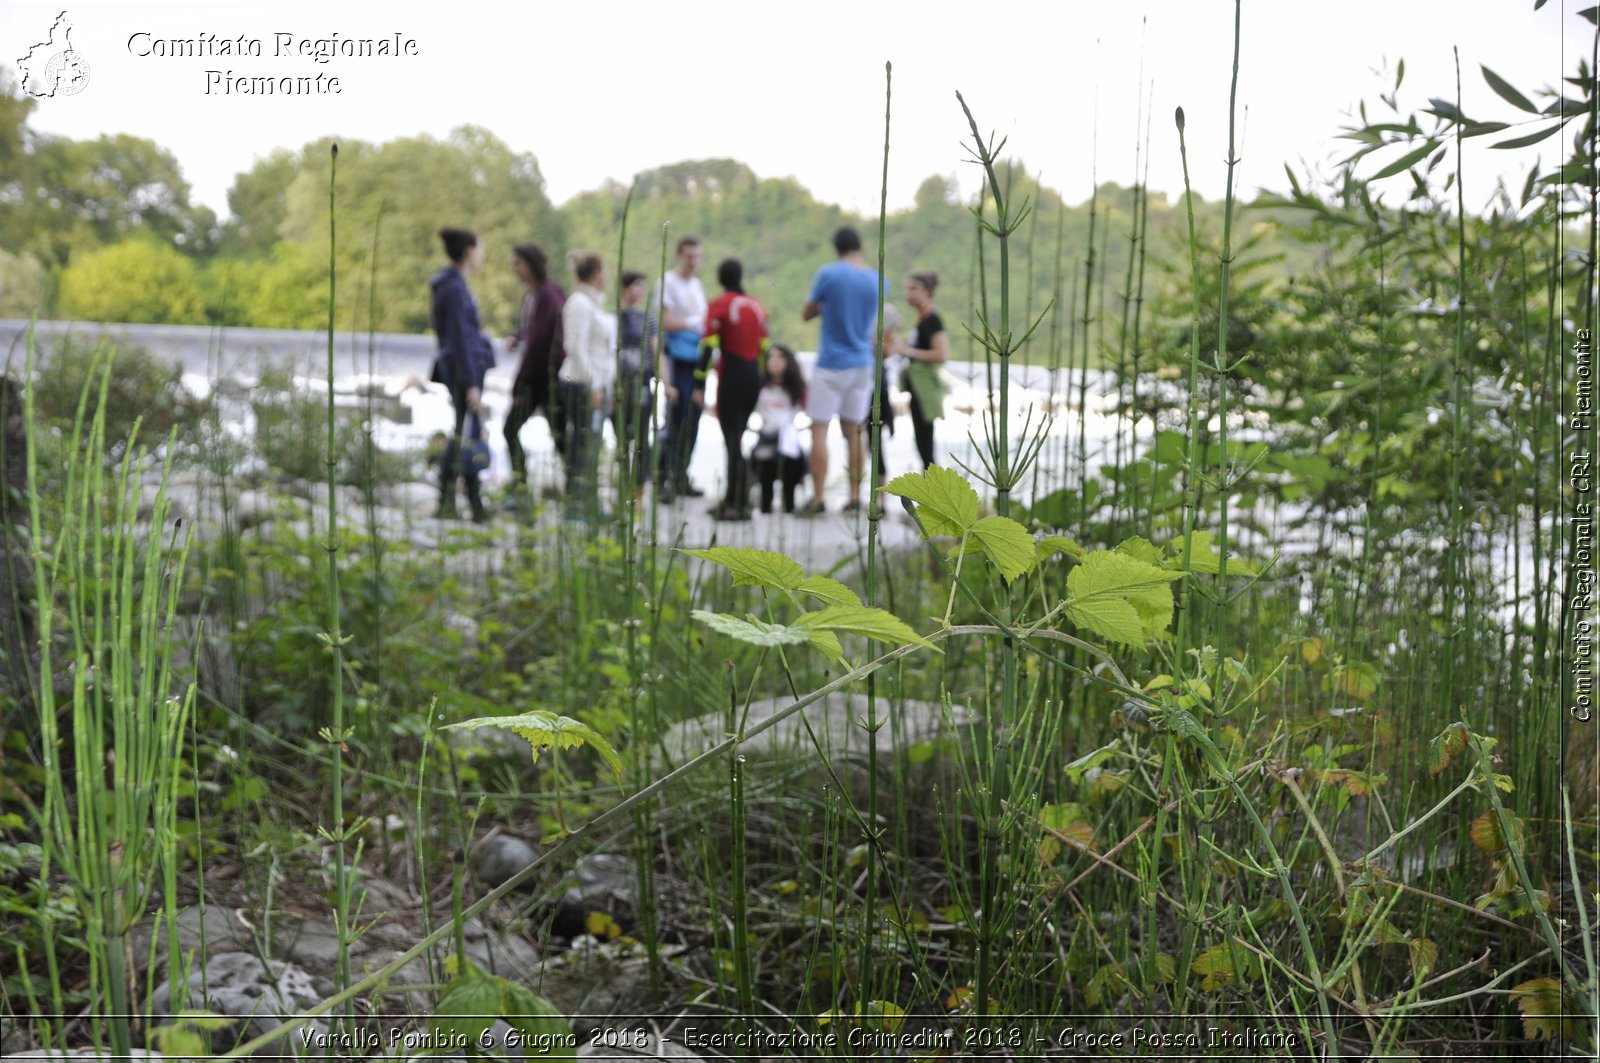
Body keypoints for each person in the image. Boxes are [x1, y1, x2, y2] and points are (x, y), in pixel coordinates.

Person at [800, 226, 889, 515]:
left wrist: (824, 306)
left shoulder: (829, 274)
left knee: (819, 430)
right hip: (862, 362)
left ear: (836, 248)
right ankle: (854, 497)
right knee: (856, 431)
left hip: (831, 362)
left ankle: (818, 498)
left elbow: (807, 313)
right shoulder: (879, 280)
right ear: (860, 246)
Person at [693, 258, 768, 522]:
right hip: (753, 378)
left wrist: (699, 384)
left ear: (719, 279)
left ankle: (739, 502)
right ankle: (733, 498)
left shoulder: (719, 305)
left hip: (733, 375)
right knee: (737, 437)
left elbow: (708, 345)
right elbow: (765, 347)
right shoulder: (756, 306)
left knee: (732, 439)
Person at [429, 226, 496, 523]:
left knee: (465, 432)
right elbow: (460, 338)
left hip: (459, 367)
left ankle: (469, 503)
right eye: (480, 248)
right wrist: (471, 383)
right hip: (463, 370)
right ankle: (456, 502)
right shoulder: (455, 288)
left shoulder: (452, 285)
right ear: (469, 251)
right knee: (464, 434)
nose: (482, 254)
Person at [503, 243, 567, 506]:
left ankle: (573, 492)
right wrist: (518, 337)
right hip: (537, 376)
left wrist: (519, 385)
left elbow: (541, 342)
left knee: (560, 436)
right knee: (555, 435)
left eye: (518, 263)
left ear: (532, 264)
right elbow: (532, 334)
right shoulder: (532, 296)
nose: (515, 269)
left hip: (546, 379)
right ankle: (522, 486)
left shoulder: (549, 295)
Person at [559, 251, 617, 521]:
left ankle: (588, 502)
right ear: (596, 274)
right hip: (581, 384)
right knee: (581, 445)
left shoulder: (594, 304)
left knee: (592, 445)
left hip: (595, 385)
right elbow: (575, 347)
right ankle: (576, 504)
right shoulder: (580, 303)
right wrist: (594, 385)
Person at [651, 236, 708, 501]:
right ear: (679, 255)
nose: (693, 261)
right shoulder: (667, 282)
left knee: (693, 418)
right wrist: (692, 323)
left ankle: (681, 473)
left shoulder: (697, 285)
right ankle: (663, 476)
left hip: (696, 357)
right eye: (689, 256)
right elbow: (665, 321)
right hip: (676, 355)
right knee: (676, 417)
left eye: (697, 256)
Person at [891, 271, 949, 469]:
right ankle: (930, 489)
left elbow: (941, 354)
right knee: (922, 441)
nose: (908, 293)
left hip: (925, 387)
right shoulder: (923, 318)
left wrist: (907, 351)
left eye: (913, 288)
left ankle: (933, 492)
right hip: (917, 386)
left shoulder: (932, 319)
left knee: (926, 443)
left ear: (927, 291)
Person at [752, 344, 808, 515]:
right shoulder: (759, 387)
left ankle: (789, 507)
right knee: (764, 467)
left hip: (789, 441)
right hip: (766, 438)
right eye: (771, 357)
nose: (775, 361)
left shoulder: (798, 388)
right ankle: (765, 508)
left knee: (792, 466)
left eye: (780, 357)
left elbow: (807, 414)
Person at [613, 270, 652, 504]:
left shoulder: (648, 320)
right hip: (619, 384)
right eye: (635, 285)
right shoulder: (613, 317)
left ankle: (637, 493)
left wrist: (666, 384)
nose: (639, 291)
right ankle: (621, 487)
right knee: (620, 437)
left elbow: (656, 351)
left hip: (641, 383)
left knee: (641, 437)